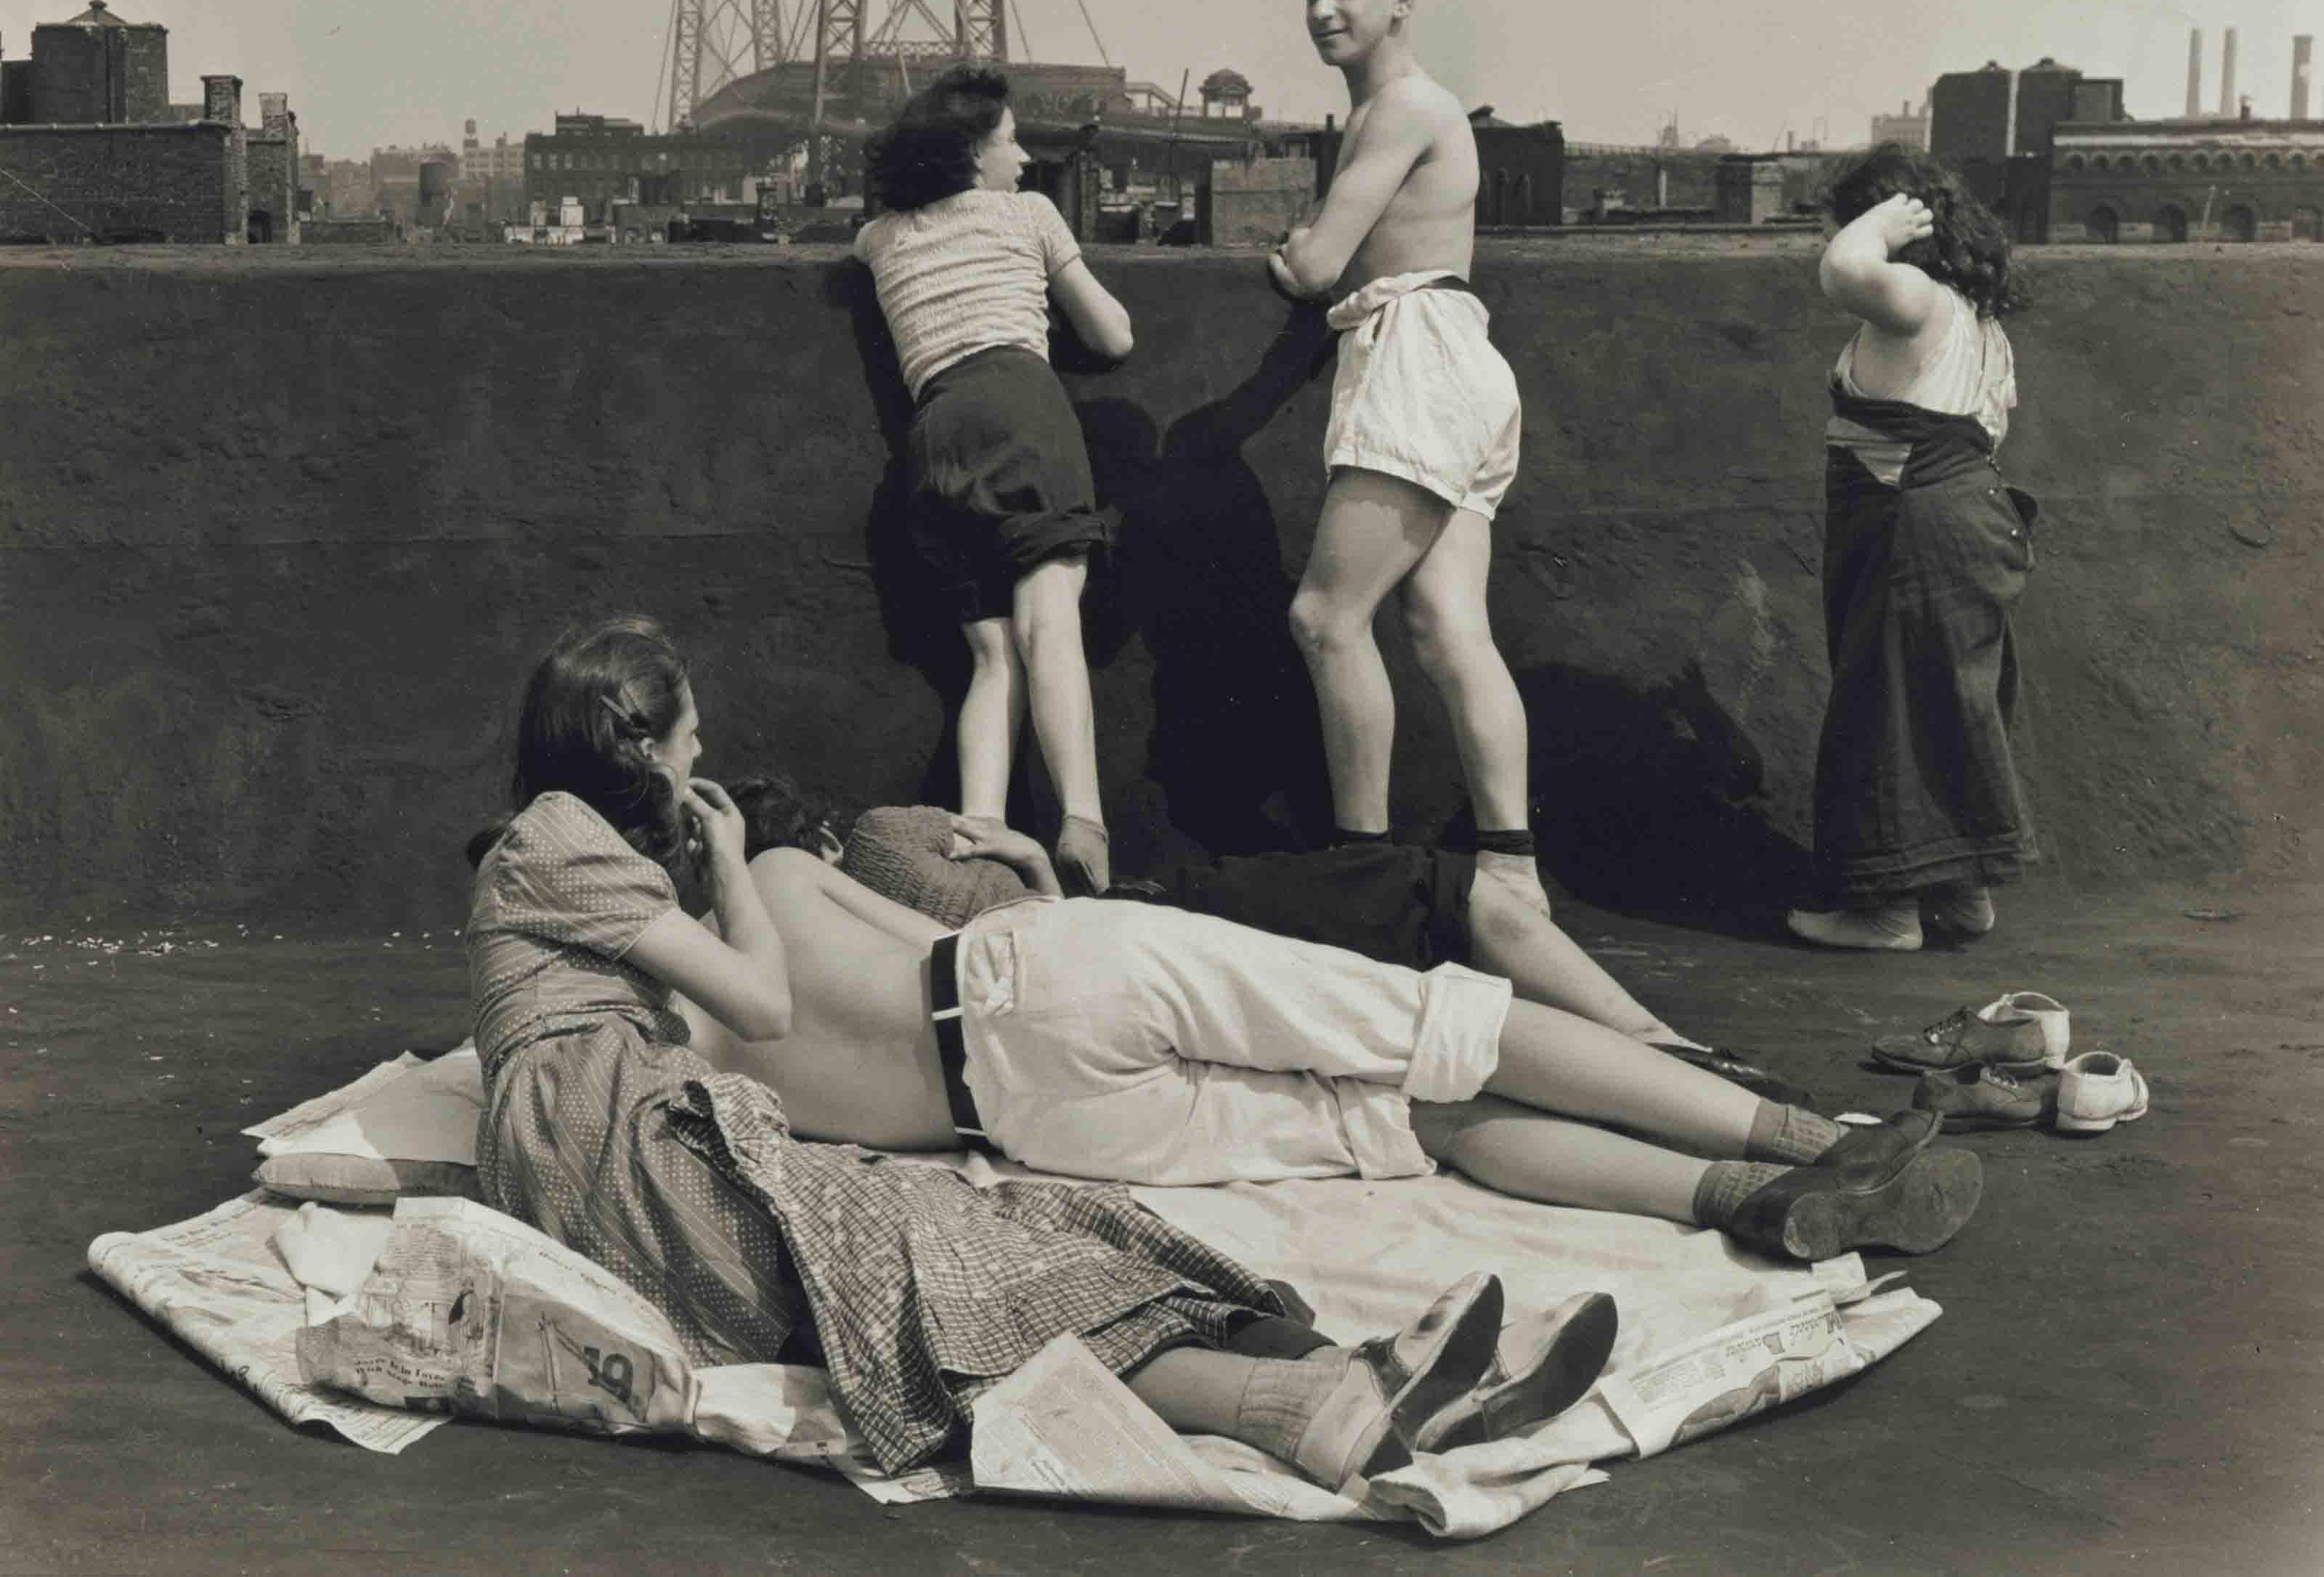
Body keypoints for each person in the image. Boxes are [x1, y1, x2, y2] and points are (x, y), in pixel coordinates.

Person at [465, 617, 1616, 1490]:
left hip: (614, 1162)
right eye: (687, 733)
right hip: (627, 1147)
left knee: (995, 1242)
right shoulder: (553, 833)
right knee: (926, 1264)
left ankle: (1340, 1381)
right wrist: (728, 866)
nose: (703, 746)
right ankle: (1305, 1393)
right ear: (640, 751)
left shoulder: (571, 872)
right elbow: (760, 1005)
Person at [633, 650, 1982, 1262]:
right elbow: (960, 941)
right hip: (1038, 981)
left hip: (1041, 1122)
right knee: (1445, 1026)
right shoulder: (782, 879)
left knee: (1417, 1120)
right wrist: (1036, 878)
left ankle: (1734, 1201)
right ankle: (1808, 1140)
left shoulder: (677, 1054)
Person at [722, 779, 1813, 1108]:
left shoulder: (801, 923)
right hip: (1147, 936)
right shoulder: (858, 856)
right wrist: (1044, 870)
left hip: (1115, 948)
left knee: (1451, 938)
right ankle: (1670, 1053)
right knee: (1452, 900)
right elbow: (1002, 944)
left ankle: (1675, 1061)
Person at [1266, 0, 1549, 923]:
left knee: (1326, 616)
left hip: (1418, 353)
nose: (1322, 10)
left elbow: (1314, 265)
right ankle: (1513, 872)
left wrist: (1290, 251)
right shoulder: (1409, 110)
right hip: (1463, 358)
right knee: (1444, 622)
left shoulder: (1399, 108)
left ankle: (1364, 868)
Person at [854, 65, 1131, 894]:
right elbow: (1112, 335)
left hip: (934, 434)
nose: (1021, 156)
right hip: (1023, 412)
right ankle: (1082, 818)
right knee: (1051, 624)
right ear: (974, 154)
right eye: (1009, 141)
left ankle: (980, 849)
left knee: (991, 656)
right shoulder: (1030, 214)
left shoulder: (880, 238)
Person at [1785, 146, 2038, 952]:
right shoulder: (1975, 316)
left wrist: (1873, 225)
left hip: (1913, 521)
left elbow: (1839, 272)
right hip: (1969, 520)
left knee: (1885, 700)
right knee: (1948, 703)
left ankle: (1885, 911)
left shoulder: (1914, 297)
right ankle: (1961, 897)